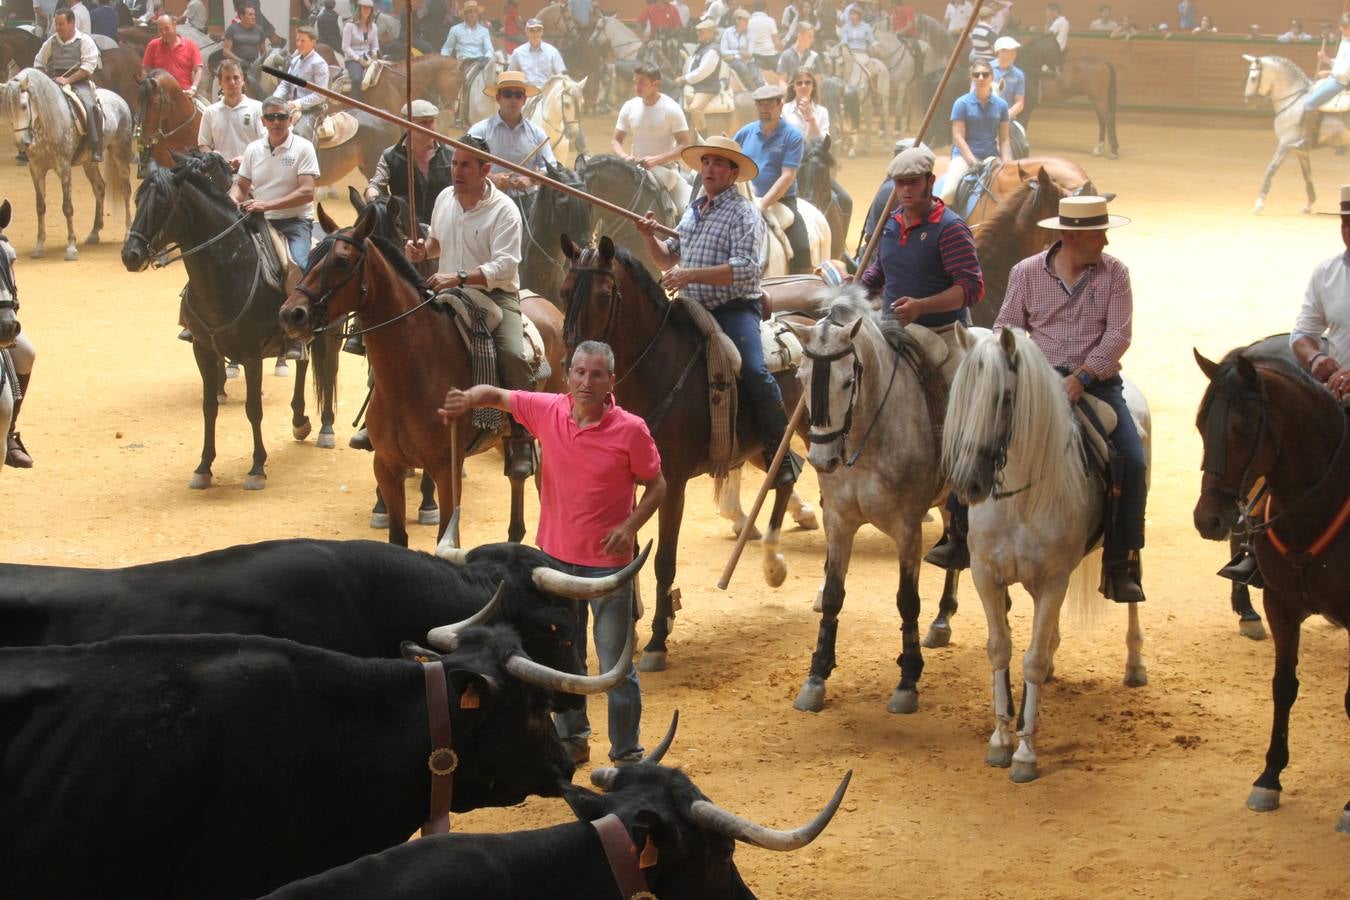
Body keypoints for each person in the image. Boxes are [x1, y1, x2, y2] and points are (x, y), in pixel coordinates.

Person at [437, 340, 666, 766]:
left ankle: (627, 754)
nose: (586, 381)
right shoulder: (547, 409)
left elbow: (657, 485)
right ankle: (573, 739)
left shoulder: (631, 429)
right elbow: (500, 396)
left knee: (616, 666)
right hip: (553, 565)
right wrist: (469, 398)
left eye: (597, 374)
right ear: (568, 375)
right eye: (580, 372)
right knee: (567, 659)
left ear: (611, 381)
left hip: (607, 572)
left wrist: (630, 526)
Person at [985, 195, 1145, 602]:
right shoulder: (1025, 273)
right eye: (1097, 233)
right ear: (1070, 236)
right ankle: (958, 534)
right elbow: (1007, 326)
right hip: (1035, 383)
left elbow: (1118, 335)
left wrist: (1083, 377)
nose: (1105, 242)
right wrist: (1026, 369)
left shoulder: (1116, 274)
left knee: (1132, 458)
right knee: (981, 435)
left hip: (1097, 385)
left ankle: (1120, 560)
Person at [635, 135, 801, 489]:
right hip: (690, 306)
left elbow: (745, 269)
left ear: (733, 172)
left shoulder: (745, 213)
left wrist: (689, 274)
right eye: (706, 162)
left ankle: (779, 450)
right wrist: (650, 238)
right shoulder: (693, 210)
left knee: (753, 369)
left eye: (718, 163)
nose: (710, 169)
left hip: (732, 308)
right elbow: (669, 256)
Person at [407, 134, 536, 477]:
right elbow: (436, 243)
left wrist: (459, 276)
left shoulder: (505, 210)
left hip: (495, 295)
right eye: (453, 163)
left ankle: (521, 437)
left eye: (465, 164)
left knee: (513, 354)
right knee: (400, 335)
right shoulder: (444, 198)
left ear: (485, 169)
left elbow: (506, 266)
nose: (456, 171)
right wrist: (423, 250)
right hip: (447, 291)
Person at [858, 143, 982, 339]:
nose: (906, 189)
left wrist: (921, 306)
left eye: (914, 182)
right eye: (900, 183)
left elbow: (971, 288)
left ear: (930, 181)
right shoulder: (892, 222)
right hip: (891, 329)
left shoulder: (951, 229)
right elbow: (881, 269)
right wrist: (858, 286)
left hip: (943, 333)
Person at [230, 96, 317, 364]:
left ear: (290, 119)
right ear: (263, 121)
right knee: (226, 259)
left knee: (297, 265)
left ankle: (297, 334)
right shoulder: (254, 149)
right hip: (259, 219)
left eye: (281, 117)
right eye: (271, 118)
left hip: (294, 222)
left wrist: (267, 204)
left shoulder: (303, 148)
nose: (276, 122)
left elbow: (307, 191)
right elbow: (241, 186)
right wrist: (231, 201)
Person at [734, 83, 811, 274]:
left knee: (800, 245)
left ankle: (802, 281)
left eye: (769, 105)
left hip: (781, 201)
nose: (764, 110)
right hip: (744, 200)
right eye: (760, 105)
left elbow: (787, 176)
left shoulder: (793, 135)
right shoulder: (745, 132)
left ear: (780, 104)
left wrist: (762, 204)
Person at [1291, 184, 1350, 404]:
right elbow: (1301, 335)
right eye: (1345, 224)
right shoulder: (1326, 273)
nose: (1348, 232)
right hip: (1342, 401)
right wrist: (1315, 357)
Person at [611, 64, 692, 210]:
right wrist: (624, 157)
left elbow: (685, 145)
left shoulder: (671, 109)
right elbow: (616, 141)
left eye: (642, 82)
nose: (637, 86)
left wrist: (656, 159)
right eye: (635, 82)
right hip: (634, 167)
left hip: (665, 169)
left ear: (656, 84)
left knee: (684, 208)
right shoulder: (629, 106)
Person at [467, 70, 554, 202]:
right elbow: (465, 164)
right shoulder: (479, 131)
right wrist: (490, 178)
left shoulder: (537, 132)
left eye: (518, 95)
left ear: (524, 100)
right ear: (498, 98)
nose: (513, 100)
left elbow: (550, 167)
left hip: (527, 201)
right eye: (507, 94)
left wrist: (531, 179)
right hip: (489, 200)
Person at [936, 60, 1010, 206]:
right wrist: (972, 162)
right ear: (972, 78)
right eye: (976, 75)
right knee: (949, 192)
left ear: (992, 77)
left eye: (985, 74)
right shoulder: (961, 103)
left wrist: (1007, 161)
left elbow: (1004, 139)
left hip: (991, 158)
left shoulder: (1002, 105)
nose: (981, 78)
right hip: (964, 158)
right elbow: (958, 136)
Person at [34, 9, 102, 161]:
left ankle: (95, 146)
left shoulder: (85, 41)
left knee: (90, 106)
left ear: (72, 23)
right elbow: (39, 61)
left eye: (61, 24)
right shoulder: (51, 41)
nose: (57, 27)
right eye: (56, 24)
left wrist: (68, 80)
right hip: (55, 80)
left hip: (80, 82)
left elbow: (88, 66)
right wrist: (44, 79)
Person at [1294, 13, 1350, 150]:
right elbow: (1340, 64)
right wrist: (1327, 60)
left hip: (1340, 82)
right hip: (1336, 78)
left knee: (1309, 103)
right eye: (1344, 27)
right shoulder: (1345, 41)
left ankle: (1307, 139)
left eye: (1346, 28)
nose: (1344, 30)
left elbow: (1346, 72)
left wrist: (1329, 72)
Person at [198, 59, 263, 169]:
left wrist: (246, 159)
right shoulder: (210, 112)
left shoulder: (258, 108)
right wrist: (213, 156)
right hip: (221, 175)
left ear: (242, 80)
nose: (232, 82)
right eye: (227, 78)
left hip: (252, 171)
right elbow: (204, 144)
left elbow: (266, 142)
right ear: (220, 82)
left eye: (236, 77)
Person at [271, 25, 328, 143]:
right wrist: (275, 98)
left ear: (313, 42)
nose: (299, 44)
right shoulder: (295, 60)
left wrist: (297, 103)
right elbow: (286, 83)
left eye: (303, 41)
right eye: (297, 40)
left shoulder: (319, 63)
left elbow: (321, 95)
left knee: (300, 134)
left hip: (312, 110)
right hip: (291, 107)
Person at [140, 14, 203, 96]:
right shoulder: (153, 45)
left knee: (206, 108)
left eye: (166, 28)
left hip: (184, 94)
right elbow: (145, 69)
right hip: (160, 95)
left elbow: (198, 70)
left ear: (174, 25)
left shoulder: (191, 45)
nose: (164, 33)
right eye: (160, 30)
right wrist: (147, 88)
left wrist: (193, 88)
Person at [679, 19, 723, 136]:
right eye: (698, 31)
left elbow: (702, 72)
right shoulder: (701, 46)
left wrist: (685, 79)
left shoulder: (712, 50)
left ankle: (703, 137)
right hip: (696, 84)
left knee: (694, 108)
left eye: (702, 31)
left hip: (706, 87)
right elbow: (693, 64)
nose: (698, 33)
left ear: (711, 33)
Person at [220, 4, 270, 96]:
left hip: (254, 66)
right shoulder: (232, 29)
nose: (253, 17)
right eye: (250, 14)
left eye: (254, 15)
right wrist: (240, 61)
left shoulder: (259, 30)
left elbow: (263, 52)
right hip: (236, 67)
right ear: (241, 16)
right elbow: (226, 51)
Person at [507, 18, 566, 88]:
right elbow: (510, 76)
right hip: (526, 94)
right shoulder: (518, 53)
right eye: (531, 30)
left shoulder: (552, 52)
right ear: (526, 32)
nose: (535, 33)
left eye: (538, 30)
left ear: (542, 32)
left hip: (547, 93)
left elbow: (561, 76)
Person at [341, 0, 379, 99]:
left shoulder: (374, 27)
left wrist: (374, 55)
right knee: (357, 79)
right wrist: (358, 59)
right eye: (364, 7)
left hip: (369, 58)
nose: (366, 10)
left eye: (369, 8)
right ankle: (354, 106)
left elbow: (375, 46)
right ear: (359, 9)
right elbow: (345, 46)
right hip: (352, 59)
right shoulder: (349, 26)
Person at [782, 66, 828, 139]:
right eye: (799, 83)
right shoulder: (783, 110)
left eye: (808, 82)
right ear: (794, 87)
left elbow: (824, 142)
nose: (803, 86)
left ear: (813, 86)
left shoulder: (822, 112)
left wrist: (811, 118)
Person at [746, 0, 781, 83]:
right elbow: (777, 42)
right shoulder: (770, 20)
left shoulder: (749, 21)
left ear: (754, 9)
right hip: (770, 54)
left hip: (754, 55)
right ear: (765, 9)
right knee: (784, 73)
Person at [991, 35, 1025, 120]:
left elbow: (1019, 102)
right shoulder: (985, 69)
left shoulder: (1018, 75)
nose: (1013, 54)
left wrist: (1006, 116)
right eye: (1009, 51)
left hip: (1006, 118)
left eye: (1014, 51)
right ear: (999, 52)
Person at [720, 8, 755, 88]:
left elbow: (749, 54)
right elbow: (723, 51)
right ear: (737, 20)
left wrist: (734, 56)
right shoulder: (727, 32)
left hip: (748, 61)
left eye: (747, 20)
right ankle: (752, 90)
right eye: (745, 20)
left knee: (759, 79)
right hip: (733, 62)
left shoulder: (750, 33)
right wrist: (739, 52)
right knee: (740, 66)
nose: (747, 22)